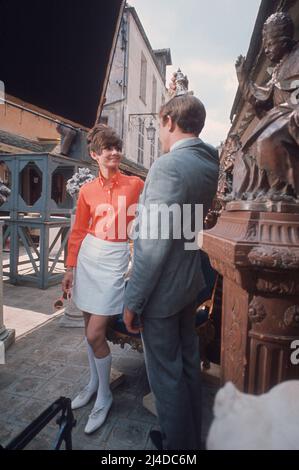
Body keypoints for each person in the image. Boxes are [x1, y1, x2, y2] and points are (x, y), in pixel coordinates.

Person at [123, 92, 219, 450]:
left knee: (166, 379)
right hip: (187, 285)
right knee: (188, 368)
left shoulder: (168, 166)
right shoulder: (209, 165)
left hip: (162, 293)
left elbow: (152, 244)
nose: (161, 136)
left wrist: (134, 299)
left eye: (160, 127)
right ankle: (191, 438)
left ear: (168, 120)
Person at [62, 124, 144, 434]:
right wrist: (70, 269)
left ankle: (105, 396)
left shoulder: (136, 185)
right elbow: (79, 231)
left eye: (116, 147)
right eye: (107, 148)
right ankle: (94, 383)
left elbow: (153, 216)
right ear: (95, 154)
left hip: (115, 261)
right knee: (88, 329)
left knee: (97, 333)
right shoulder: (86, 191)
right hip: (87, 259)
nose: (114, 152)